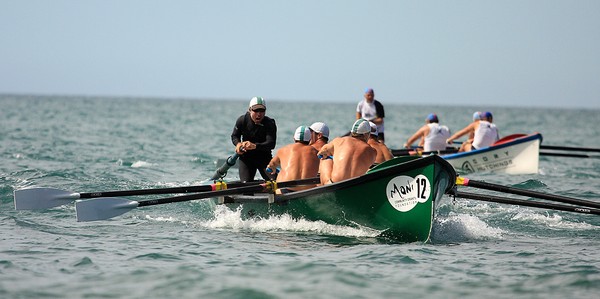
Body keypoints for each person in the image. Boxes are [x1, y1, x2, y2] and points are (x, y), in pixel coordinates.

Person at [317, 119, 377, 185]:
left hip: (334, 185)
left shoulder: (339, 141)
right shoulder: (372, 151)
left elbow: (321, 152)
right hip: (355, 186)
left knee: (324, 158)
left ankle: (323, 185)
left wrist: (334, 157)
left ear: (352, 132)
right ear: (366, 135)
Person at [231, 96, 277, 182]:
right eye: (255, 110)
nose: (259, 114)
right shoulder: (242, 120)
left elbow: (271, 144)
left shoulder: (269, 123)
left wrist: (255, 146)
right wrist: (238, 144)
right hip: (246, 158)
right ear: (249, 110)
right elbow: (234, 136)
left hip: (264, 158)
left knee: (274, 182)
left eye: (262, 111)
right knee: (246, 184)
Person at [266, 126, 320, 192]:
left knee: (280, 175)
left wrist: (272, 168)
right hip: (308, 190)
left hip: (285, 189)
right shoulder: (316, 152)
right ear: (309, 140)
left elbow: (272, 165)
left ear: (294, 138)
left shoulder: (283, 150)